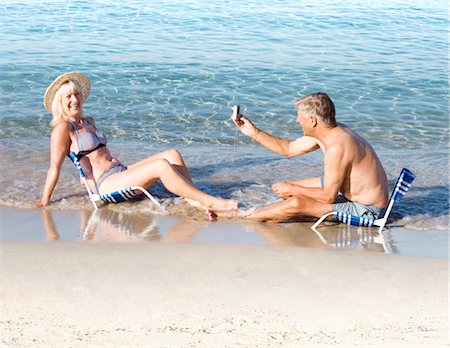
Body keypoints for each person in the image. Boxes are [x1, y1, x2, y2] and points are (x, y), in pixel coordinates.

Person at [37, 71, 237, 211]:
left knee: (172, 154)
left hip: (120, 172)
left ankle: (194, 199)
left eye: (77, 94)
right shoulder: (63, 128)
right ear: (60, 102)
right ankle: (210, 201)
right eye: (68, 97)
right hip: (105, 185)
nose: (74, 100)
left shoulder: (88, 121)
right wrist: (45, 201)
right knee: (161, 166)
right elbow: (54, 167)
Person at [210, 92, 388, 222]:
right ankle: (266, 211)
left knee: (296, 202)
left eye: (299, 117)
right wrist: (253, 132)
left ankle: (239, 216)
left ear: (312, 120)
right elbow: (288, 149)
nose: (297, 121)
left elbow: (328, 198)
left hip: (367, 210)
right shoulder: (329, 132)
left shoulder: (337, 146)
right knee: (288, 188)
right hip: (351, 194)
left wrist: (294, 189)